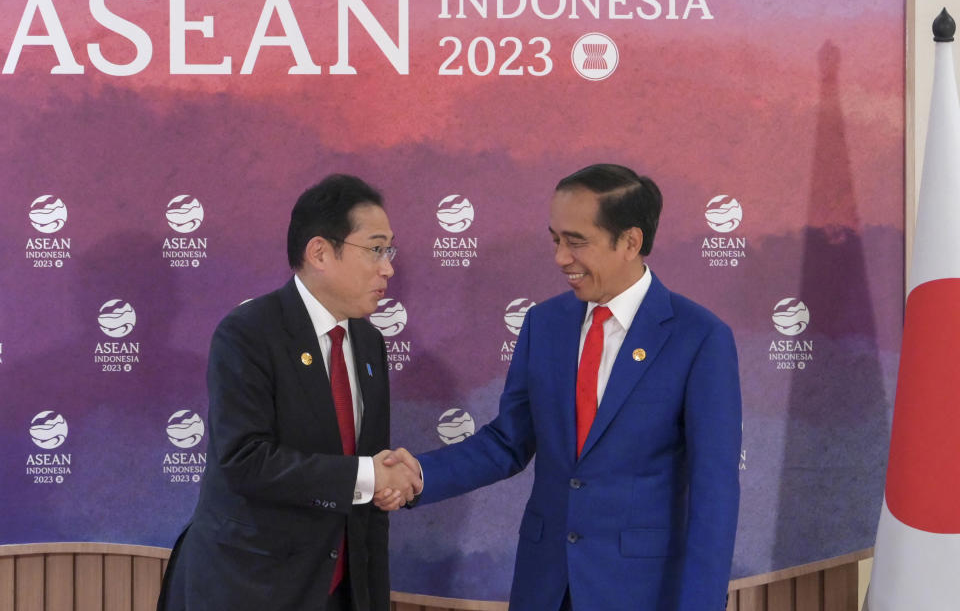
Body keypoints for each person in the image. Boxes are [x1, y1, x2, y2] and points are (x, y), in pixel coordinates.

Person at [380, 164, 742, 611]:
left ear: (630, 241)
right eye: (555, 239)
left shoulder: (699, 337)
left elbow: (715, 493)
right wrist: (419, 475)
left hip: (641, 592)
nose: (559, 258)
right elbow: (507, 442)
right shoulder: (543, 324)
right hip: (545, 586)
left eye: (576, 242)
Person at [158, 174, 422, 611]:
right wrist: (369, 476)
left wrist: (385, 484)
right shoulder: (248, 333)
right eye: (375, 249)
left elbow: (359, 464)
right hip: (249, 588)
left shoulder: (370, 342)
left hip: (341, 589)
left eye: (389, 250)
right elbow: (244, 460)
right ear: (319, 251)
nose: (388, 267)